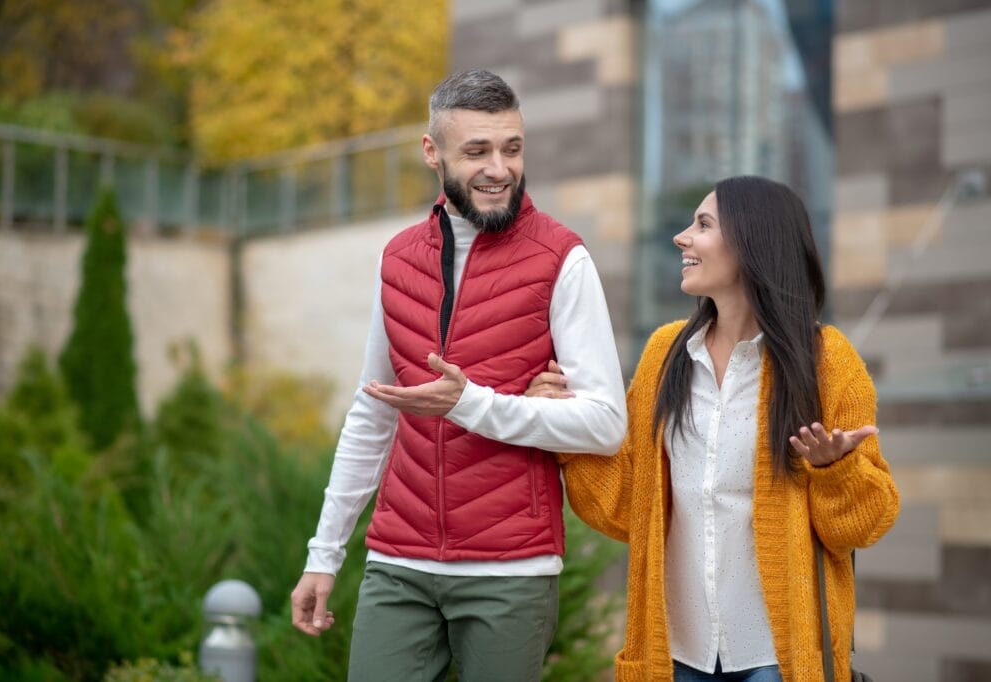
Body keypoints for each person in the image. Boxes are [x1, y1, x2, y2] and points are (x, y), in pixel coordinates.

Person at [289, 69, 627, 682]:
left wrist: (471, 403)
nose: (499, 168)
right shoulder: (397, 258)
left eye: (512, 148)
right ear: (432, 152)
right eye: (477, 151)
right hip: (399, 561)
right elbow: (374, 411)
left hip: (511, 568)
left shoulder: (562, 258)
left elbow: (605, 424)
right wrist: (324, 554)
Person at [526, 176, 900, 681]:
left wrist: (836, 472)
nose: (682, 237)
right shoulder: (665, 354)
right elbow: (627, 508)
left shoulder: (827, 362)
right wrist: (567, 428)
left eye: (703, 225)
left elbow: (862, 528)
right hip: (675, 656)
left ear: (752, 242)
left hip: (776, 659)